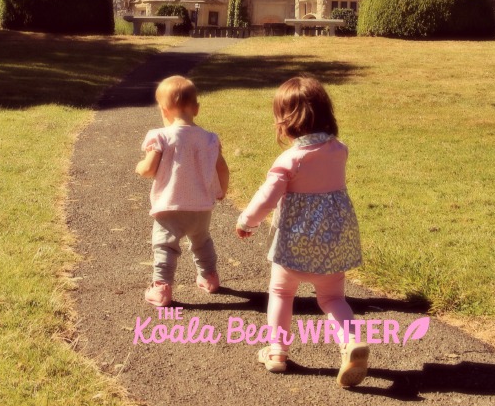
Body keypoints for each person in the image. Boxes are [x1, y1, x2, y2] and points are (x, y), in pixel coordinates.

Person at [236, 76, 369, 388]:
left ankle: (277, 352)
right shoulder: (340, 150)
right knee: (333, 297)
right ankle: (351, 342)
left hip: (294, 245)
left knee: (282, 293)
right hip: (333, 243)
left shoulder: (290, 160)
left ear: (285, 121)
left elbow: (266, 198)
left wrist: (247, 222)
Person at [136, 75, 229, 307]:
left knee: (165, 245)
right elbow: (222, 168)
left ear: (164, 110)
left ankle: (161, 287)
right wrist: (221, 191)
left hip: (170, 205)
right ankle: (209, 277)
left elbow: (148, 169)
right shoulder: (209, 139)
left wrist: (139, 167)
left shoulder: (161, 137)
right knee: (201, 241)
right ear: (196, 109)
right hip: (201, 207)